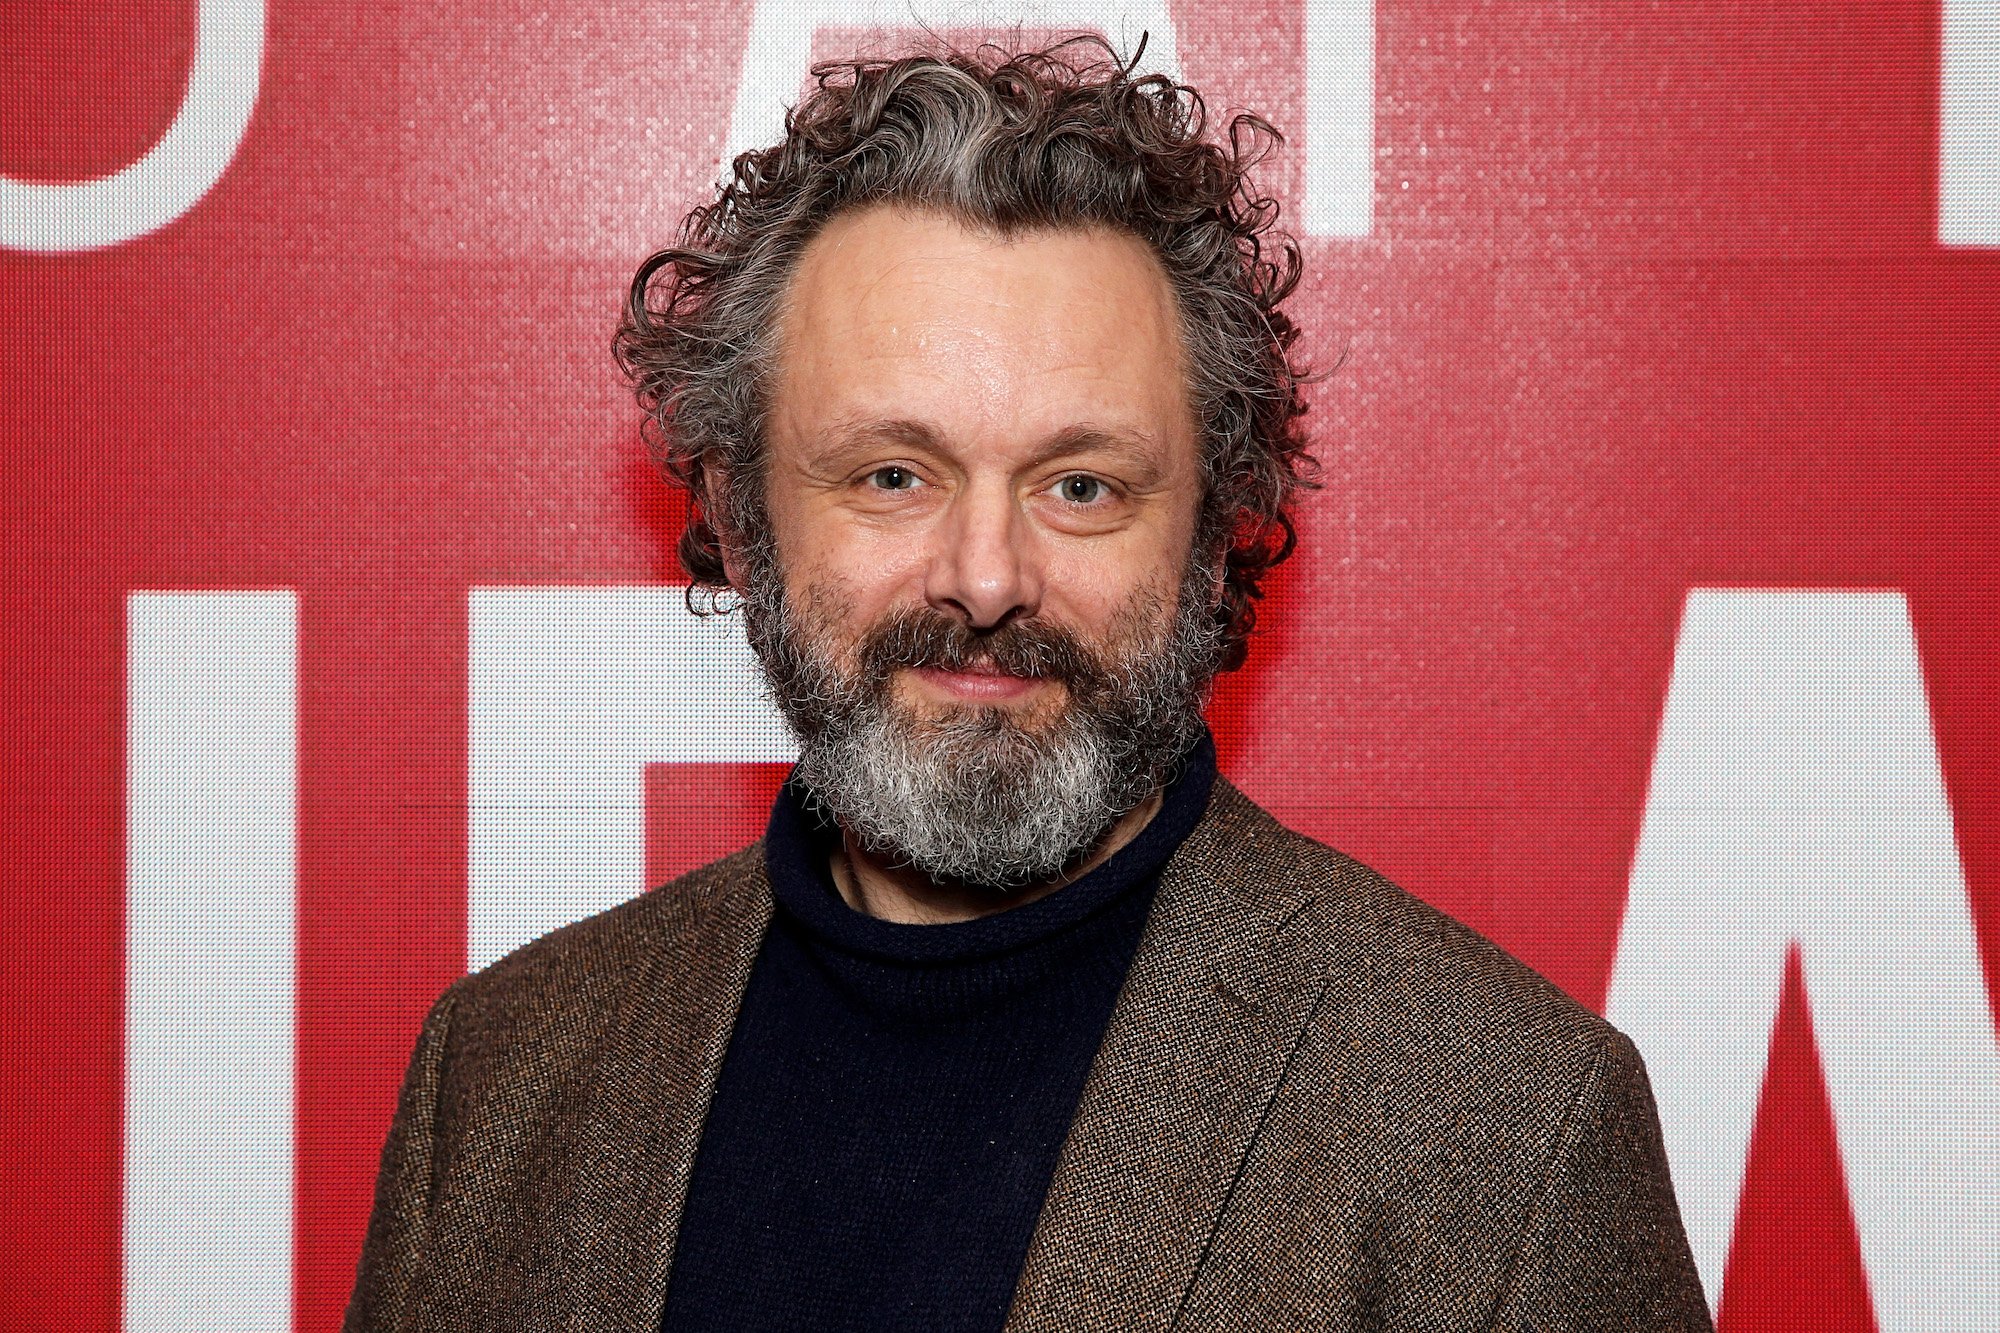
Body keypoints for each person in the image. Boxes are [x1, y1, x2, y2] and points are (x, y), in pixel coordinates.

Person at [346, 39, 1711, 1332]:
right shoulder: (502, 1079)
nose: (986, 577)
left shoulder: (1500, 1127)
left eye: (1080, 484)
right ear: (741, 510)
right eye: (893, 473)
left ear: (1212, 523)